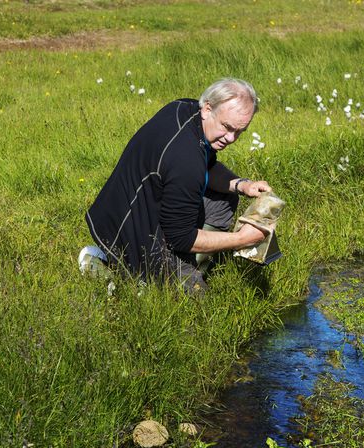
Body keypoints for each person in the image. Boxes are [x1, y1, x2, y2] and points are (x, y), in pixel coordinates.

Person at [80, 78, 271, 293]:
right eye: (227, 127)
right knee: (194, 304)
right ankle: (122, 269)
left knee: (226, 195)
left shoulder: (185, 109)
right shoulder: (186, 160)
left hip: (117, 212)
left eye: (239, 132)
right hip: (126, 230)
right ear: (208, 108)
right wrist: (240, 239)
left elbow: (208, 167)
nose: (231, 138)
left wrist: (243, 185)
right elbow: (181, 238)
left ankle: (184, 264)